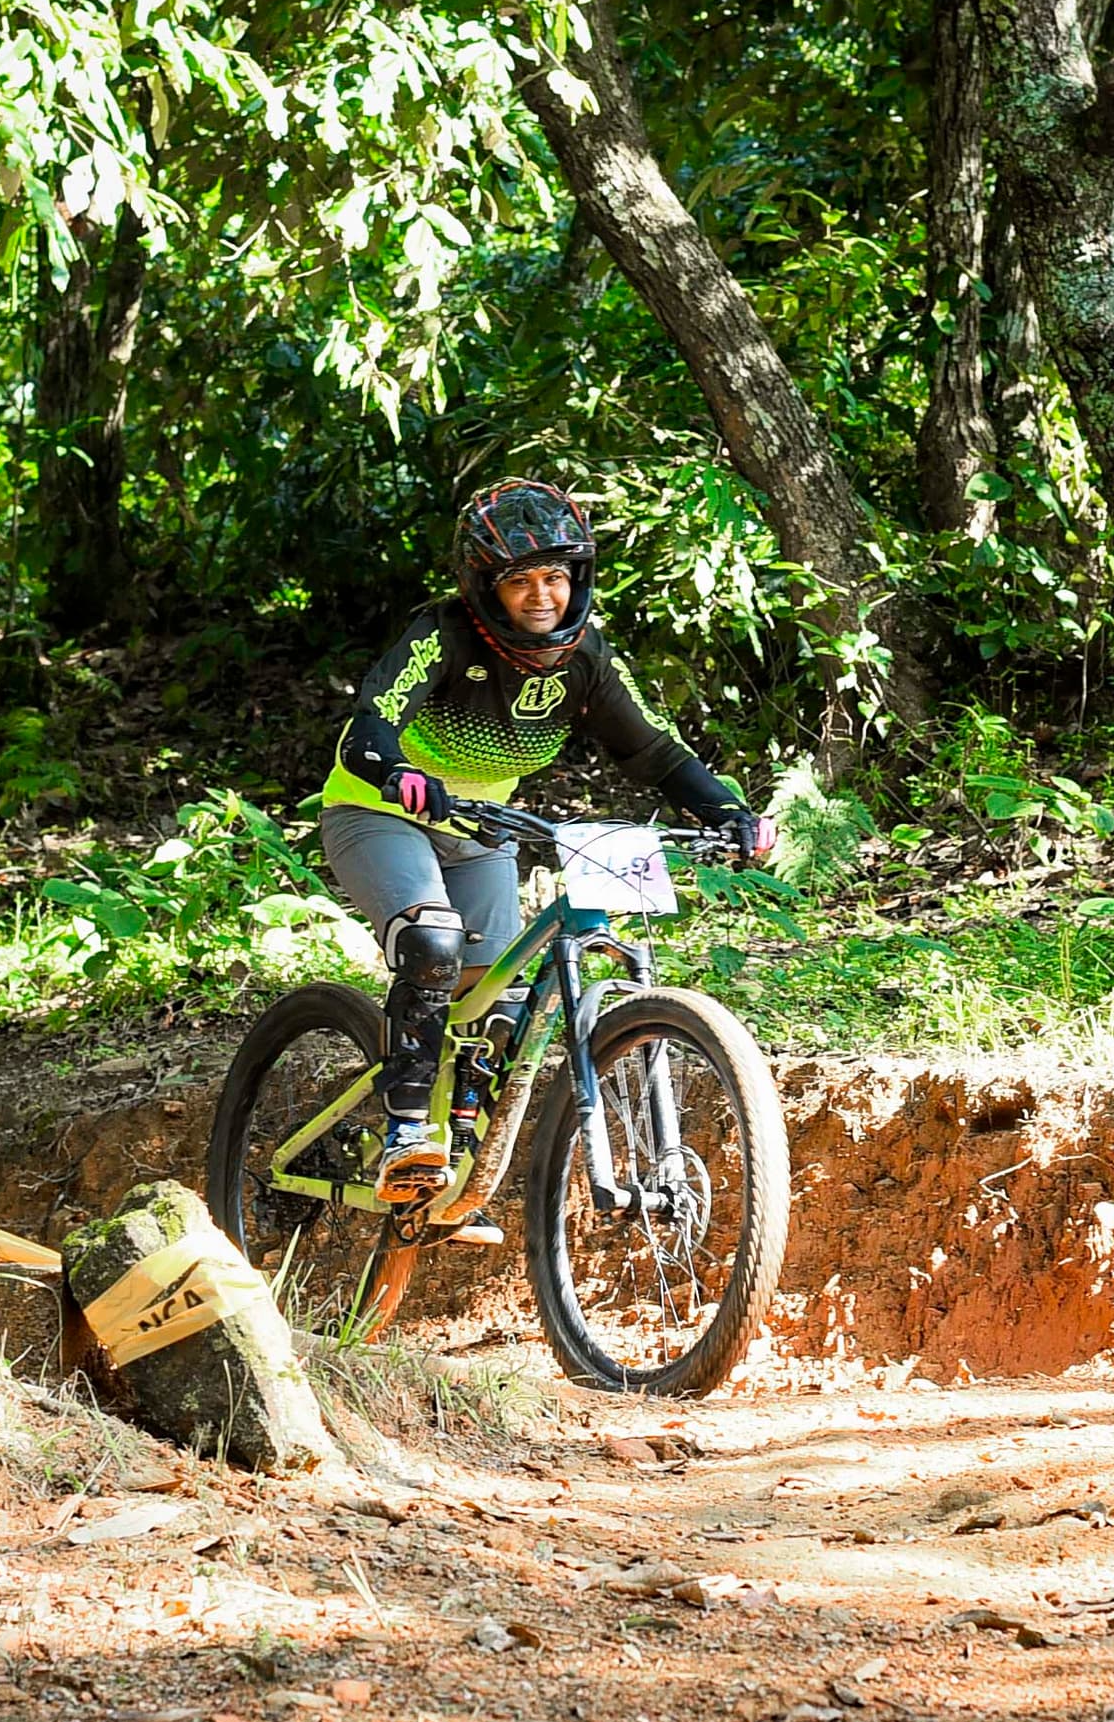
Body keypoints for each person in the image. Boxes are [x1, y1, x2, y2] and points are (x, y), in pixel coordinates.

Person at [317, 477, 778, 1201]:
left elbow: (657, 753)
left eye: (556, 576)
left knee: (497, 1006)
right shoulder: (444, 634)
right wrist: (399, 771)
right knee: (434, 944)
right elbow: (368, 725)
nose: (542, 596)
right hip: (381, 814)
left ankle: (455, 1165)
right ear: (484, 587)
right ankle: (406, 1129)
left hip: (482, 832)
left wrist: (731, 814)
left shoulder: (587, 658)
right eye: (521, 580)